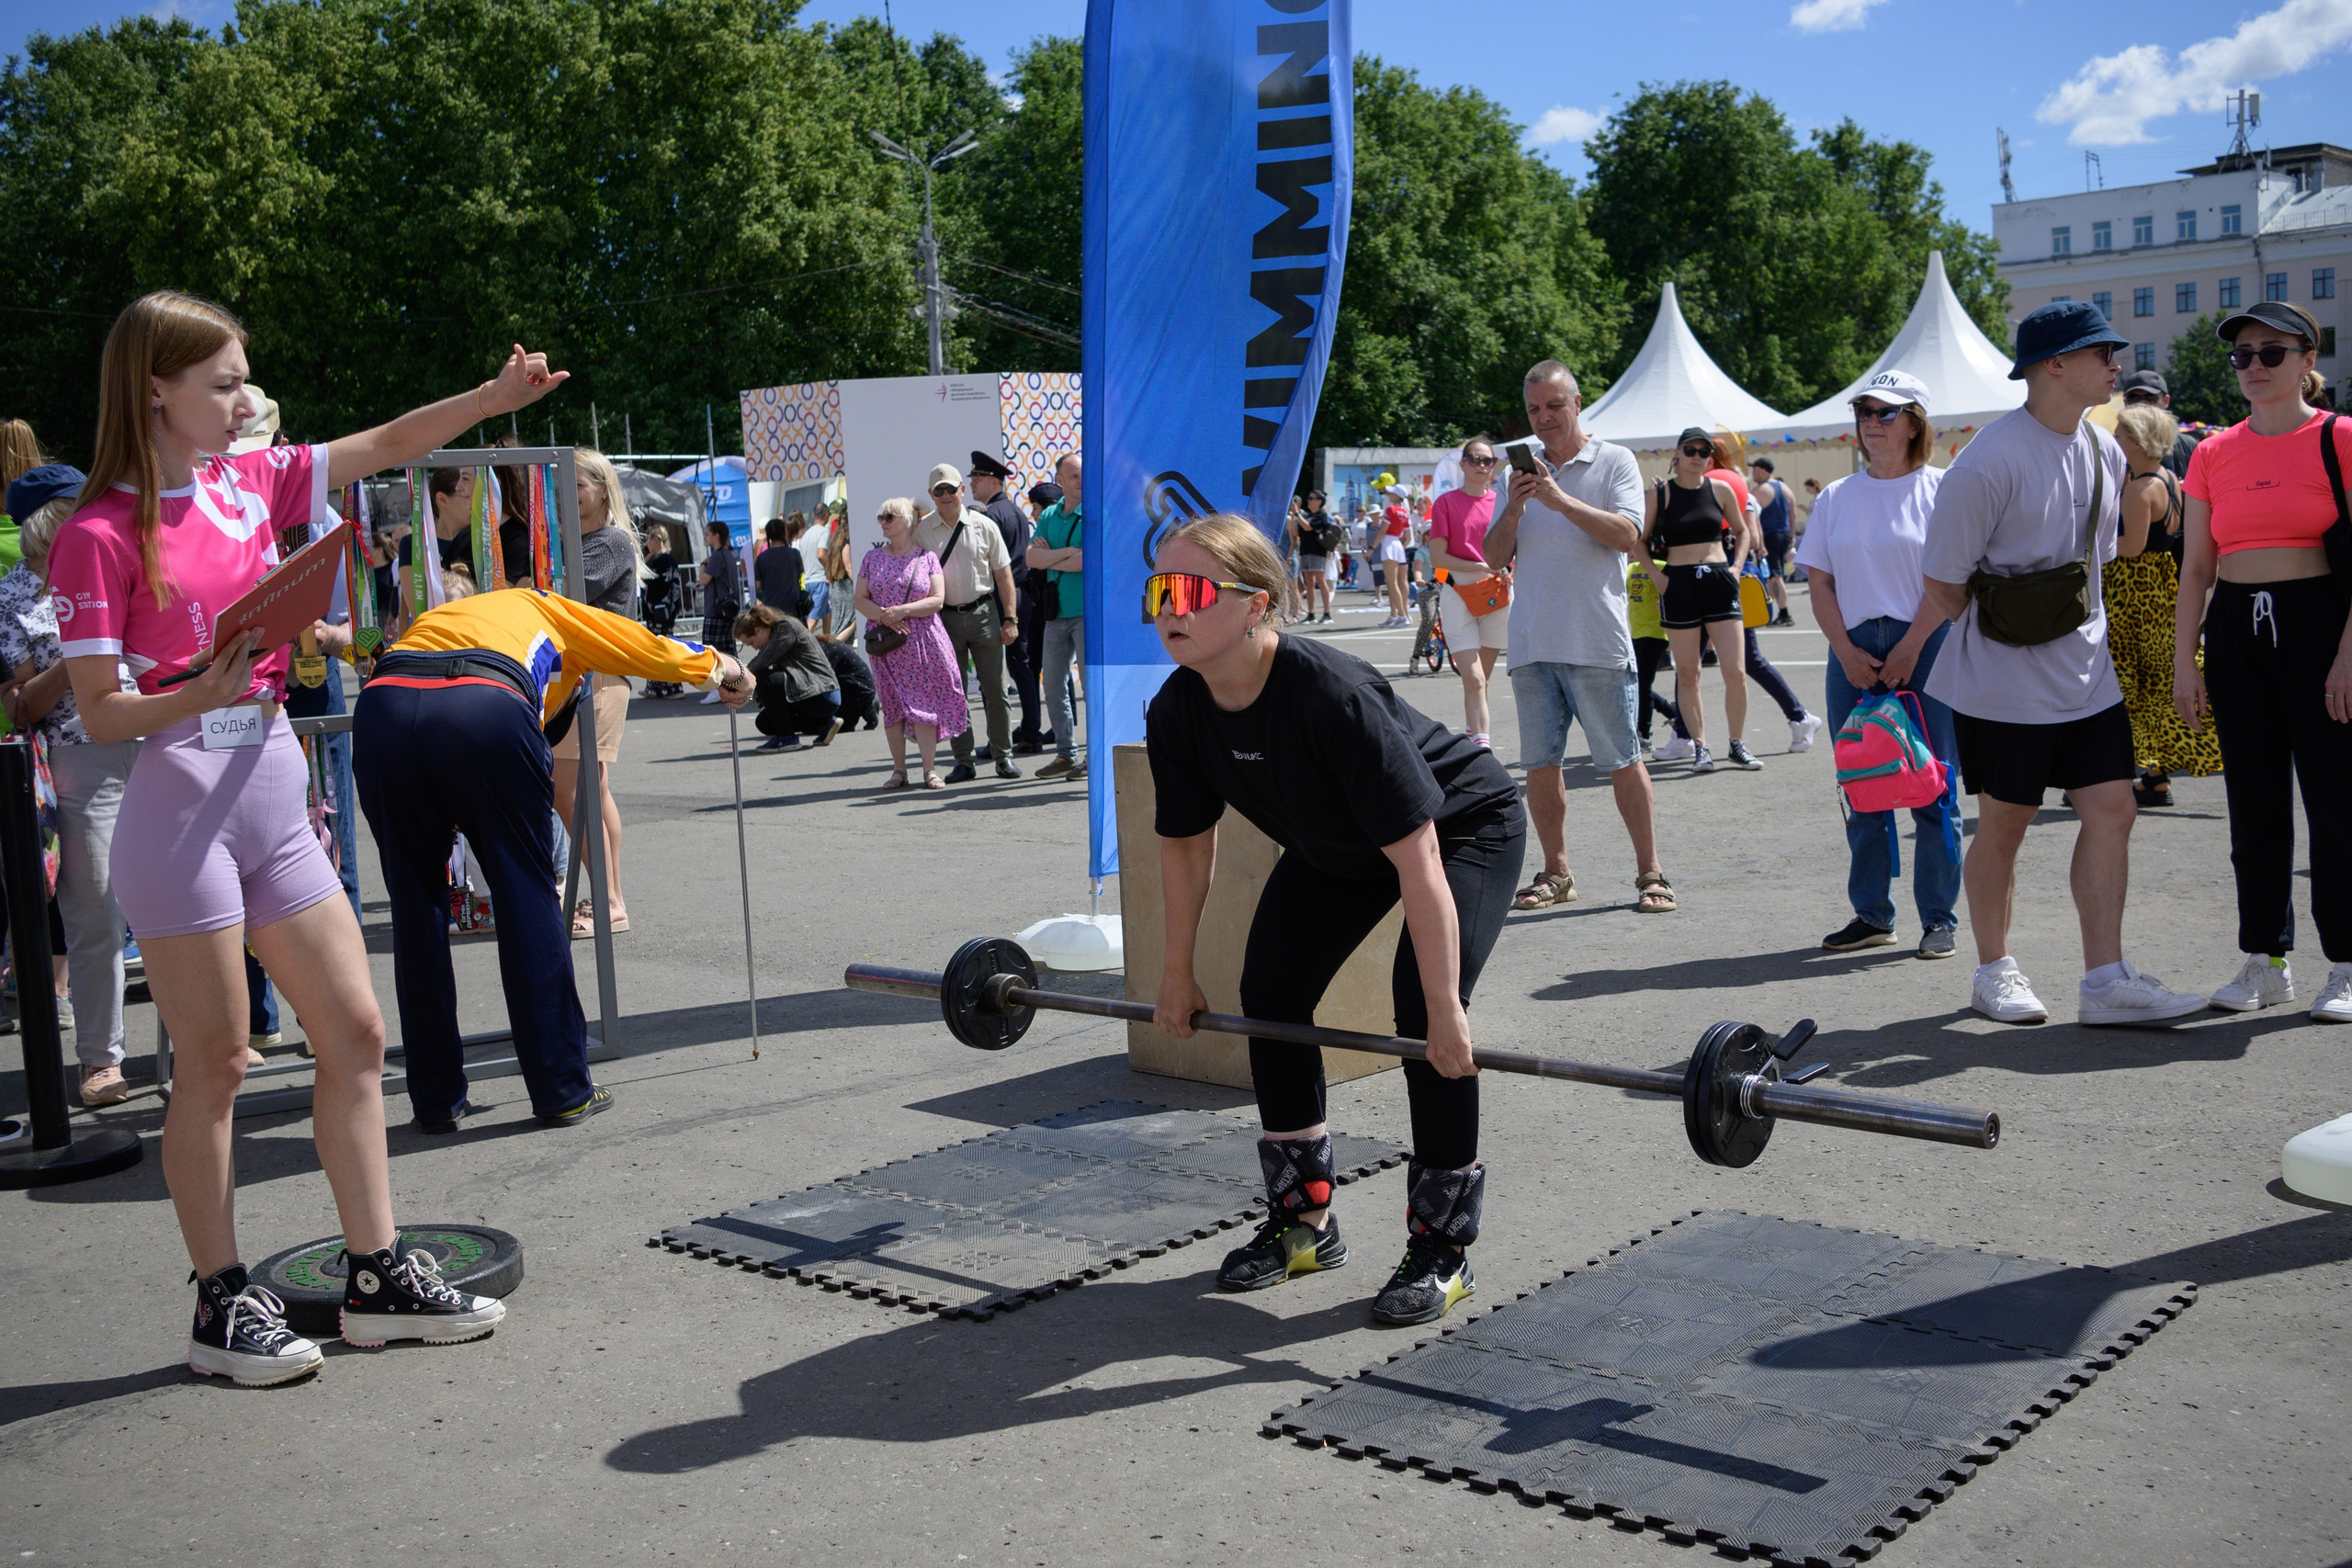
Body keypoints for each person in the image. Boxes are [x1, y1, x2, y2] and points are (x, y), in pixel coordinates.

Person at [51, 291, 558, 1385]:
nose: (243, 401)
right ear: (155, 389)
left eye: (244, 380)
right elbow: (96, 713)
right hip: (179, 804)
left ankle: (376, 1276)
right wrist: (194, 694)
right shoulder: (97, 534)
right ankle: (221, 1303)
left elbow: (386, 442)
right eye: (222, 383)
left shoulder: (252, 478)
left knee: (357, 1035)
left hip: (275, 785)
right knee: (221, 1064)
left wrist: (494, 396)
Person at [1145, 513, 1523, 1326]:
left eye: (1190, 591)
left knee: (1424, 1010)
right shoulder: (1178, 709)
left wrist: (1449, 1008)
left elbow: (1419, 857)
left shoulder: (1331, 694)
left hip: (1462, 825)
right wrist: (1176, 970)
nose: (1170, 609)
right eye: (1158, 590)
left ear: (1256, 605)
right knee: (1271, 992)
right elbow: (1184, 848)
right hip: (1337, 845)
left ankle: (1442, 1248)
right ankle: (1305, 1223)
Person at [360, 561, 750, 1139]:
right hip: (486, 709)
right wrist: (722, 666)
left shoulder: (445, 617)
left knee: (417, 913)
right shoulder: (553, 609)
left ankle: (437, 1099)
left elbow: (378, 655)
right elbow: (644, 646)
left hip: (385, 710)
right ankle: (562, 1088)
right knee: (527, 900)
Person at [1919, 299, 2206, 1026]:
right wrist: (2012, 630)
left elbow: (2104, 558)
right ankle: (1994, 969)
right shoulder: (1987, 459)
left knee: (2114, 807)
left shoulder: (2106, 449)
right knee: (2006, 823)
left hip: (2087, 676)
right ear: (2054, 364)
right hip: (2002, 684)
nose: (2116, 364)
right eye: (2101, 352)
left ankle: (2105, 979)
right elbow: (1943, 583)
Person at [2173, 299, 2352, 1022]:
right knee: (2253, 806)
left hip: (2322, 627)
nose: (2254, 367)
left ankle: (2345, 964)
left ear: (2309, 362)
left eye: (2271, 353)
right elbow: (2195, 570)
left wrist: (2347, 654)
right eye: (2243, 355)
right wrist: (2188, 661)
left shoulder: (2339, 438)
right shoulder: (2214, 451)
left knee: (2337, 805)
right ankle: (2265, 959)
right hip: (2239, 631)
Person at [1485, 364, 1676, 915]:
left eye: (1553, 406)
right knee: (1541, 765)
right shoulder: (1512, 477)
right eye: (1533, 410)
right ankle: (1557, 871)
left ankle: (1651, 871)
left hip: (1596, 637)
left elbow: (1626, 535)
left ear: (1577, 402)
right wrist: (1519, 504)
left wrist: (1558, 499)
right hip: (1532, 641)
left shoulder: (1614, 459)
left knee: (1622, 760)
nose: (1543, 419)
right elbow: (1494, 559)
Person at [1795, 370, 1963, 960]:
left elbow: (1952, 578)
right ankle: (1872, 915)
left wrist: (1912, 644)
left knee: (1932, 785)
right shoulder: (1838, 497)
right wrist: (1843, 649)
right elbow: (1819, 580)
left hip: (1930, 643)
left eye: (1885, 412)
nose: (1871, 422)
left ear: (1915, 420)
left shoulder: (1945, 488)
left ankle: (1939, 918)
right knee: (1863, 784)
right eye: (1864, 412)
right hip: (1854, 648)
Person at [0, 465, 139, 1103]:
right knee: (97, 913)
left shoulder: (115, 560)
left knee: (187, 893)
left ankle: (208, 1040)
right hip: (80, 757)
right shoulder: (11, 596)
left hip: (154, 736)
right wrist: (73, 661)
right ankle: (99, 1060)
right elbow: (18, 704)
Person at [2107, 403, 2222, 807]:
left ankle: (2119, 772)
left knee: (2126, 685)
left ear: (2138, 441)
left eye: (2121, 434)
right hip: (2161, 590)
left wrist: (2085, 546)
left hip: (2134, 594)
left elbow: (2131, 547)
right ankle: (2154, 777)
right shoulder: (2171, 478)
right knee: (2156, 684)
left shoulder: (2139, 488)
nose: (2116, 441)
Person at [550, 448, 640, 938]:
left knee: (574, 790)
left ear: (603, 489)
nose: (569, 495)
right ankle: (609, 898)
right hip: (588, 675)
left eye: (577, 485)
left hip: (599, 674)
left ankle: (610, 901)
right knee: (589, 789)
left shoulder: (609, 542)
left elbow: (564, 593)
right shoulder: (587, 541)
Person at [1645, 426, 1755, 774]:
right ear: (1676, 454)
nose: (1697, 456)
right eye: (1689, 450)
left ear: (1710, 457)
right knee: (1688, 674)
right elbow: (1639, 539)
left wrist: (1736, 568)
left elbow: (1742, 530)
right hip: (1678, 585)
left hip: (1719, 581)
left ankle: (1736, 744)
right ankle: (1701, 748)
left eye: (1703, 451)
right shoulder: (1660, 494)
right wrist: (1658, 577)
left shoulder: (1720, 489)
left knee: (1736, 671)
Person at [1708, 435, 1820, 752]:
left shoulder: (1738, 491)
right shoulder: (1702, 487)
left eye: (1700, 452)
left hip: (1731, 578)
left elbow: (1755, 537)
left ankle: (1799, 716)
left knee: (1749, 659)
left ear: (1713, 457)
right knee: (1694, 658)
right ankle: (1683, 735)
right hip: (1707, 579)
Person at [915, 462, 1020, 783]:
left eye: (951, 488)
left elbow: (1004, 575)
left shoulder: (984, 525)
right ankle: (964, 760)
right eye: (939, 490)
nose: (946, 495)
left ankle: (1004, 757)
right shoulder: (922, 531)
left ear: (963, 489)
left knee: (995, 690)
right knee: (953, 692)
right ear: (932, 495)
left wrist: (1011, 619)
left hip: (984, 613)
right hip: (943, 618)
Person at [858, 497, 967, 790]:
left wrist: (902, 611)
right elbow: (859, 598)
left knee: (923, 704)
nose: (883, 521)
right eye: (881, 516)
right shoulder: (872, 558)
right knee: (891, 705)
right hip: (886, 643)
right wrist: (886, 616)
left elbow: (937, 599)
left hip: (921, 641)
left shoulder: (927, 558)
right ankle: (899, 770)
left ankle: (929, 770)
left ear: (907, 521)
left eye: (889, 516)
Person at [1424, 436, 1509, 748]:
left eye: (1488, 460)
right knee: (1473, 679)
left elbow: (1513, 546)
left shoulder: (1502, 500)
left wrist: (1507, 567)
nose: (1481, 465)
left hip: (1496, 593)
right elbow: (1437, 557)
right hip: (1457, 590)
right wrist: (1481, 564)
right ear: (1463, 464)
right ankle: (1482, 749)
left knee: (1482, 681)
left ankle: (1475, 732)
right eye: (1475, 459)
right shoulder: (1446, 502)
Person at [969, 452, 1040, 749]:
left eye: (977, 478)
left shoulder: (990, 516)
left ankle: (1001, 739)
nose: (972, 484)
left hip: (1000, 597)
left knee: (993, 671)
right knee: (1020, 665)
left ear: (993, 481)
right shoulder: (1015, 512)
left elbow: (984, 563)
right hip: (1020, 594)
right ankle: (1030, 731)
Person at [1027, 453, 1087, 780]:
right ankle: (1065, 754)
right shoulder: (1049, 513)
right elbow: (1031, 559)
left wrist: (1050, 557)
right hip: (1056, 614)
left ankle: (1094, 756)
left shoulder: (1093, 511)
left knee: (1091, 688)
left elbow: (1086, 562)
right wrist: (1064, 554)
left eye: (1082, 475)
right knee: (1052, 685)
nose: (1081, 481)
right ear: (1060, 481)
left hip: (1086, 614)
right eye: (1074, 476)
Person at [735, 604, 842, 750]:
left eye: (751, 642)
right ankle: (824, 723)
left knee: (762, 678)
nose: (754, 647)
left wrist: (738, 680)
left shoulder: (785, 627)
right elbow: (761, 660)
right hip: (814, 694)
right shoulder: (775, 633)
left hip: (821, 692)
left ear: (759, 630)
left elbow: (762, 661)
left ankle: (787, 738)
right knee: (764, 722)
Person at [1012, 479, 1060, 750]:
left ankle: (1049, 728)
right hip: (1041, 608)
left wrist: (1049, 555)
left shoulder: (1052, 534)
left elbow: (1043, 567)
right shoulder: (1040, 534)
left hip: (1048, 610)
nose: (1033, 514)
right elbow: (1033, 561)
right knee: (1048, 671)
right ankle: (1053, 726)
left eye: (1036, 508)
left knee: (1044, 669)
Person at [2116, 367, 2203, 479]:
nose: (2142, 404)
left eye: (2150, 398)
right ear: (2125, 402)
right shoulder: (2117, 445)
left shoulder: (2187, 445)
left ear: (2166, 401)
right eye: (2134, 398)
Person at [1749, 455, 1795, 626]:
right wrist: (1791, 540)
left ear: (1762, 471)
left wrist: (1758, 543)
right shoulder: (1785, 488)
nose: (1753, 474)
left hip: (1769, 536)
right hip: (1783, 535)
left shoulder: (1758, 491)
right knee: (1773, 576)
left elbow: (1753, 519)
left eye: (1754, 470)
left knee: (1775, 577)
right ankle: (1772, 613)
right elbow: (1793, 515)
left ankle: (1784, 614)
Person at [639, 522, 684, 696]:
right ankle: (656, 687)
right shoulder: (669, 559)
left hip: (659, 612)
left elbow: (643, 576)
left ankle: (670, 688)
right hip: (664, 611)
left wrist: (647, 560)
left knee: (661, 650)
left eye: (648, 538)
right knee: (659, 649)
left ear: (656, 540)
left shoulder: (661, 560)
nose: (646, 542)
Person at [814, 619, 879, 730]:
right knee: (845, 726)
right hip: (858, 687)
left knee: (818, 727)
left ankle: (866, 706)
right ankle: (863, 708)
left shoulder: (823, 652)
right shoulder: (827, 645)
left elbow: (820, 681)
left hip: (858, 690)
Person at [698, 519, 741, 667]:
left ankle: (719, 686)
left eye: (707, 534)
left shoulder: (717, 556)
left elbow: (703, 579)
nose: (705, 537)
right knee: (728, 651)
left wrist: (703, 564)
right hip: (727, 609)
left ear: (717, 536)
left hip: (715, 611)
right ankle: (735, 682)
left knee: (712, 653)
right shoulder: (729, 554)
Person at [1294, 490, 1337, 624]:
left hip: (1318, 551)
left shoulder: (1321, 515)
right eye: (1309, 498)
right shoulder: (1306, 515)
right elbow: (1298, 532)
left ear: (1319, 501)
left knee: (1320, 581)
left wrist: (1297, 513)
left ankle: (1327, 613)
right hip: (1305, 551)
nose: (1309, 500)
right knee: (1309, 582)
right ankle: (1311, 614)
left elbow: (1308, 528)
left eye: (1312, 498)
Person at [754, 515, 807, 616]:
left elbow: (758, 585)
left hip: (772, 608)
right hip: (792, 608)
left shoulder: (761, 558)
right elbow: (799, 575)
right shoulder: (794, 554)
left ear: (768, 535)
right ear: (784, 533)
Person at [1378, 486, 1410, 627]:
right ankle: (1398, 615)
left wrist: (1372, 548)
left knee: (1392, 583)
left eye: (1392, 492)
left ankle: (1401, 616)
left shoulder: (1391, 510)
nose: (1389, 494)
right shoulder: (1405, 511)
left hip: (1390, 544)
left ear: (1397, 496)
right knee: (1401, 582)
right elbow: (1408, 537)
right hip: (1399, 546)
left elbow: (1382, 531)